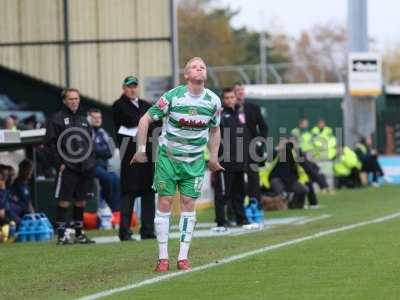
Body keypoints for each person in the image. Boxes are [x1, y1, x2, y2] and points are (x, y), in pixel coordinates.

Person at [131, 57, 223, 272]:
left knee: (189, 204)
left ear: (206, 74)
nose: (199, 69)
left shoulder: (213, 101)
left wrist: (214, 157)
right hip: (168, 159)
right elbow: (145, 119)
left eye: (203, 66)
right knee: (164, 202)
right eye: (194, 66)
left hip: (194, 161)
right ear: (186, 74)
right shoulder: (173, 97)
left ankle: (183, 257)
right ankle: (163, 257)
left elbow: (215, 129)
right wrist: (141, 150)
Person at [44, 88, 96, 245]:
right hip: (66, 167)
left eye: (76, 98)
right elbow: (49, 145)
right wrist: (59, 163)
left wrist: (90, 162)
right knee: (64, 200)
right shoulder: (56, 119)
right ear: (64, 101)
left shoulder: (84, 119)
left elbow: (89, 143)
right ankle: (61, 235)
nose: (74, 101)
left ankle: (79, 234)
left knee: (81, 201)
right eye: (71, 99)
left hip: (84, 167)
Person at [112, 76, 160, 241]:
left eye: (135, 86)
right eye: (129, 87)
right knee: (129, 192)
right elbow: (132, 120)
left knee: (148, 192)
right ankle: (124, 231)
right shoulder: (118, 106)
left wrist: (145, 123)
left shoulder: (146, 105)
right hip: (130, 154)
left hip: (147, 153)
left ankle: (147, 230)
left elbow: (156, 122)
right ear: (124, 88)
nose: (132, 89)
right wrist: (146, 122)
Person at [213, 87, 249, 230]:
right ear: (223, 99)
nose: (229, 100)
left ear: (236, 98)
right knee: (223, 193)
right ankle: (221, 220)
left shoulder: (240, 114)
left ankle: (241, 218)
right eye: (226, 98)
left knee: (239, 192)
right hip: (224, 161)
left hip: (239, 161)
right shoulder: (220, 116)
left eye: (231, 97)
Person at [233, 82, 268, 204]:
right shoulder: (228, 109)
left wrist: (260, 143)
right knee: (236, 180)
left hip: (252, 149)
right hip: (235, 150)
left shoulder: (254, 108)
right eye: (238, 90)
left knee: (254, 178)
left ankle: (255, 205)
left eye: (242, 89)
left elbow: (263, 127)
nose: (240, 92)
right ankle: (237, 207)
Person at [260, 139, 309, 209]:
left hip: (291, 180)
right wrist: (277, 149)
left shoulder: (294, 153)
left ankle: (295, 206)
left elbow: (304, 162)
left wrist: (296, 148)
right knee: (281, 193)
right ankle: (279, 205)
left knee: (303, 190)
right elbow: (267, 159)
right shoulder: (277, 152)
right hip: (276, 178)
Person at [88, 108, 121, 212]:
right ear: (89, 118)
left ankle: (117, 211)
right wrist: (101, 151)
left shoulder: (103, 132)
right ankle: (109, 206)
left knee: (117, 180)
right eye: (95, 118)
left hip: (104, 165)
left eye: (99, 117)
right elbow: (89, 151)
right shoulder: (86, 131)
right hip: (91, 166)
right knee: (108, 179)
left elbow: (110, 151)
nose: (98, 120)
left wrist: (98, 151)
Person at [9, 159, 35, 224]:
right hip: (18, 216)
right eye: (28, 169)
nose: (30, 172)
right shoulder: (15, 185)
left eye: (31, 170)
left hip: (27, 215)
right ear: (22, 170)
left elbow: (29, 203)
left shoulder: (26, 186)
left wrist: (34, 217)